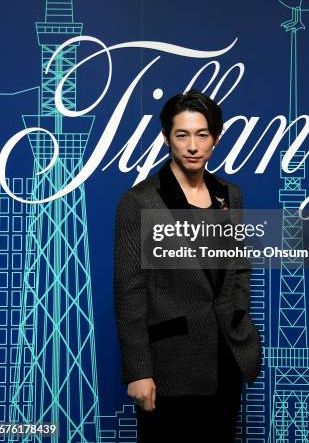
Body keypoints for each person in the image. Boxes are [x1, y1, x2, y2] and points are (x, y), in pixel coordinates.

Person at [113, 90, 262, 443]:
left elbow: (238, 266)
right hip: (169, 364)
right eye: (182, 135)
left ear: (216, 139)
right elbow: (129, 291)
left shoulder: (230, 194)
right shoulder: (140, 201)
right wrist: (138, 371)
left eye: (202, 135)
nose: (192, 146)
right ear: (167, 138)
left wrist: (238, 315)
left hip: (226, 357)